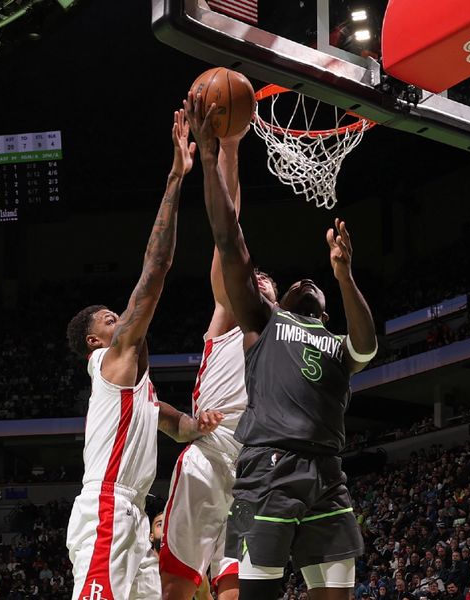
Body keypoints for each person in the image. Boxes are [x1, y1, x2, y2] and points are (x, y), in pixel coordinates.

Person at [185, 91, 379, 599]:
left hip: (327, 472)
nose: (303, 280)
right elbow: (229, 238)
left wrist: (344, 274)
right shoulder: (261, 324)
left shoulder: (338, 343)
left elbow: (367, 344)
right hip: (268, 465)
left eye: (314, 284)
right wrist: (213, 155)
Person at [64, 110, 224, 600]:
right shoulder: (110, 364)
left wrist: (200, 426)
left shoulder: (138, 389)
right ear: (94, 342)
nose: (123, 321)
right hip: (106, 509)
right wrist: (177, 177)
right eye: (111, 320)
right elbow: (156, 268)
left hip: (133, 514)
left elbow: (174, 425)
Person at [160, 128, 278, 600]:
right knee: (177, 585)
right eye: (256, 276)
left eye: (269, 279)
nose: (261, 279)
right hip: (209, 453)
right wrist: (228, 150)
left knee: (236, 586)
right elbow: (227, 233)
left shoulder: (285, 336)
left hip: (255, 466)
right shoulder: (231, 318)